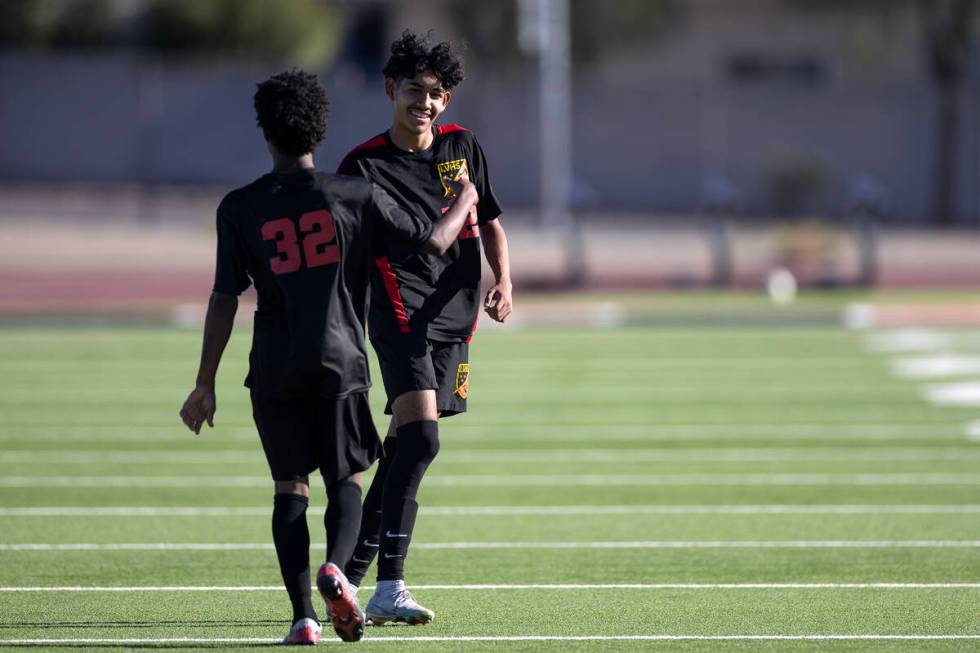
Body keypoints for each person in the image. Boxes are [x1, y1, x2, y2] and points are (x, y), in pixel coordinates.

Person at [178, 69, 479, 644]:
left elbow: (223, 298)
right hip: (340, 360)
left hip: (273, 365)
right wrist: (465, 196)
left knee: (289, 488)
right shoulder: (355, 194)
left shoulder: (239, 207)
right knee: (348, 479)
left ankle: (302, 619)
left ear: (266, 131)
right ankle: (338, 571)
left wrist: (204, 383)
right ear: (320, 129)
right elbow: (436, 242)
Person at [335, 30, 513, 626]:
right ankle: (390, 585)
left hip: (455, 321)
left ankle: (348, 575)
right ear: (391, 89)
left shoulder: (464, 147)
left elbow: (489, 221)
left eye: (437, 94)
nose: (426, 103)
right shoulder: (363, 165)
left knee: (407, 448)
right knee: (424, 441)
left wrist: (502, 281)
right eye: (415, 90)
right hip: (399, 315)